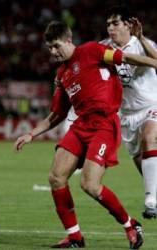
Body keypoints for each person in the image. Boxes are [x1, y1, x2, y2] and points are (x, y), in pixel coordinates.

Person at [14, 20, 157, 248]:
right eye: (49, 48)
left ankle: (130, 225)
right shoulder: (62, 75)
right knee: (56, 177)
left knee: (89, 184)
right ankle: (75, 237)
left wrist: (154, 62)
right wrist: (31, 134)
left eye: (56, 46)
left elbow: (126, 58)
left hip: (105, 124)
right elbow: (56, 114)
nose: (53, 52)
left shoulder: (91, 50)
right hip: (81, 126)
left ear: (69, 40)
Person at [101, 5, 157, 219]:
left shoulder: (142, 44)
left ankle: (151, 201)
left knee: (149, 138)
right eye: (108, 24)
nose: (111, 28)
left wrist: (141, 38)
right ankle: (155, 192)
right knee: (139, 160)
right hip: (126, 114)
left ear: (128, 25)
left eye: (115, 23)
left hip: (151, 105)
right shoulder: (104, 48)